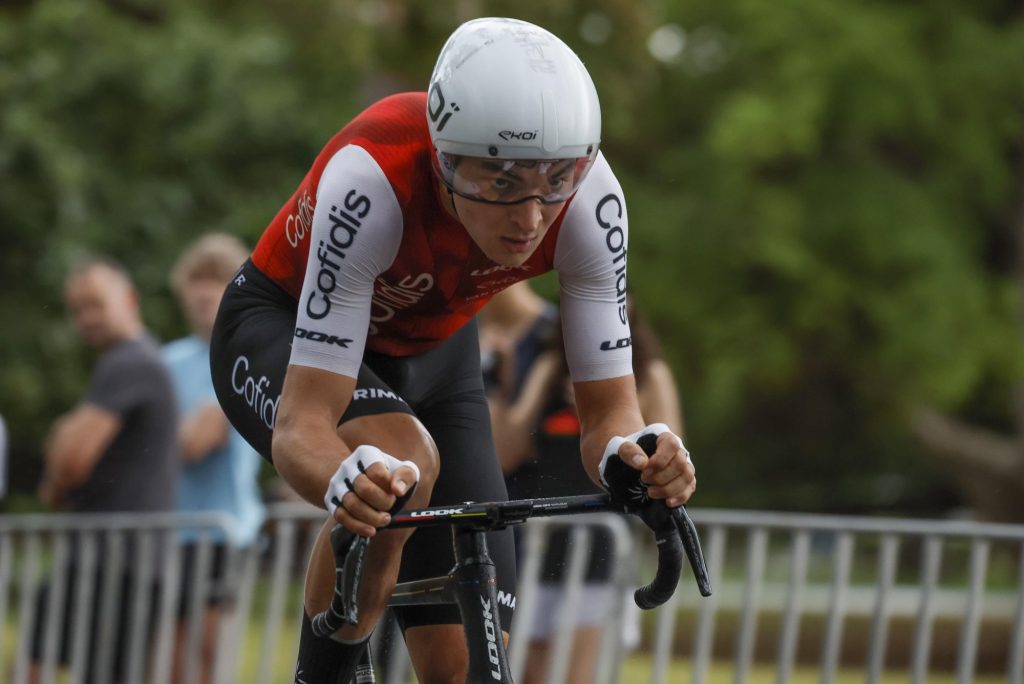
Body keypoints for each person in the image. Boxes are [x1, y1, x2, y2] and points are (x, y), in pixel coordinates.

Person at [208, 17, 696, 684]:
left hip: (435, 350)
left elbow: (609, 417)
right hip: (283, 325)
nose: (531, 216)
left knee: (467, 658)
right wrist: (345, 482)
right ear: (444, 158)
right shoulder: (373, 177)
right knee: (401, 461)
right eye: (502, 182)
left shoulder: (592, 204)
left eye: (557, 178)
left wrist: (636, 461)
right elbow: (303, 427)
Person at [490, 296, 685, 684]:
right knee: (525, 671)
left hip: (599, 548)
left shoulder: (650, 372)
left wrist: (603, 413)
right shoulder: (550, 367)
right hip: (535, 548)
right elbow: (506, 452)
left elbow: (668, 457)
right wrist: (507, 383)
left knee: (574, 673)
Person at [31, 258, 179, 684]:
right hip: (126, 559)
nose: (86, 318)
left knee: (32, 666)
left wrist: (58, 466)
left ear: (129, 299)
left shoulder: (129, 362)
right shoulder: (138, 360)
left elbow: (71, 459)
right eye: (77, 309)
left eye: (96, 304)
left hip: (112, 561)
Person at [163, 234, 267, 684]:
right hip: (168, 531)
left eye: (216, 279)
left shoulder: (244, 357)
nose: (204, 292)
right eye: (196, 280)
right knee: (165, 657)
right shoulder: (166, 361)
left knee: (208, 656)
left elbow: (193, 443)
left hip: (224, 533)